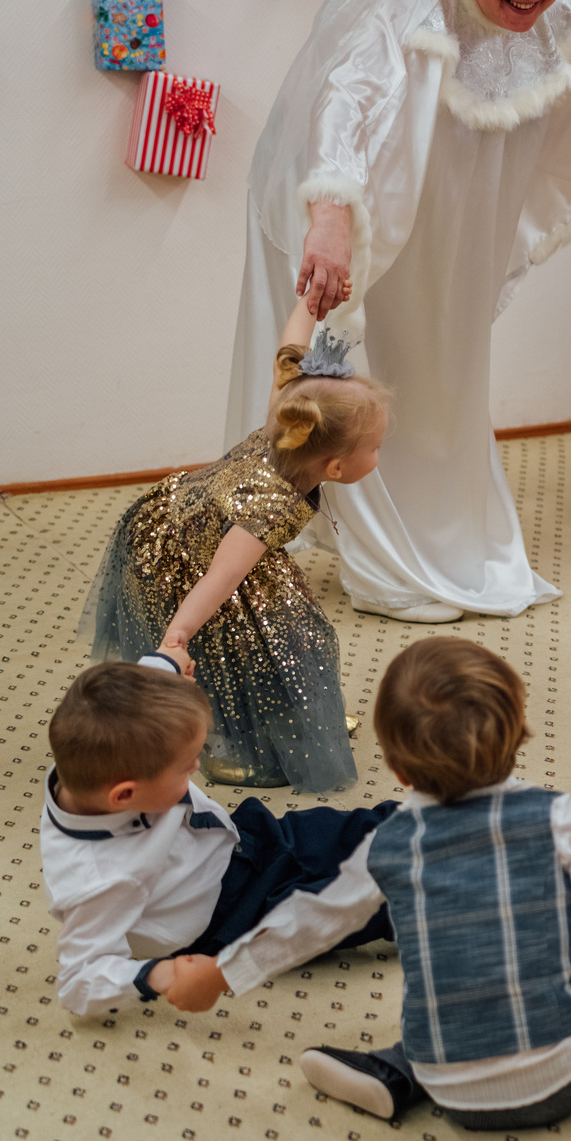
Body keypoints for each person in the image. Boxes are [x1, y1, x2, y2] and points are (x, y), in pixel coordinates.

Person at [227, 0, 571, 624]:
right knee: (354, 374)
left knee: (442, 374)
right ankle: (378, 556)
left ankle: (449, 537)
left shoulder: (556, 9)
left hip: (457, 228)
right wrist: (329, 211)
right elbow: (347, 96)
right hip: (373, 218)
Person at [159, 639, 571, 1128]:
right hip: (560, 1074)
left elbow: (312, 920)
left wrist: (220, 975)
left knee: (450, 967)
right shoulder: (558, 820)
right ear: (519, 738)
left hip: (448, 1083)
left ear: (398, 768)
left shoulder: (392, 840)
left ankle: (396, 1072)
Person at [87, 296, 386, 789]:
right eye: (374, 447)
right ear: (334, 467)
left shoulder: (291, 418)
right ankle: (233, 749)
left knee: (287, 632)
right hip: (182, 553)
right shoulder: (271, 506)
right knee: (259, 642)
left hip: (198, 527)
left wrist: (308, 302)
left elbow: (290, 351)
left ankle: (301, 716)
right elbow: (221, 578)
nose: (379, 453)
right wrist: (176, 635)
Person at [40, 661, 412, 1017]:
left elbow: (137, 684)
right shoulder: (97, 880)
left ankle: (449, 820)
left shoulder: (99, 750)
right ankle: (456, 897)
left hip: (249, 840)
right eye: (187, 767)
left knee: (365, 827)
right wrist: (162, 975)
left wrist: (169, 663)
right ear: (124, 795)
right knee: (361, 901)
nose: (197, 767)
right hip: (235, 916)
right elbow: (77, 983)